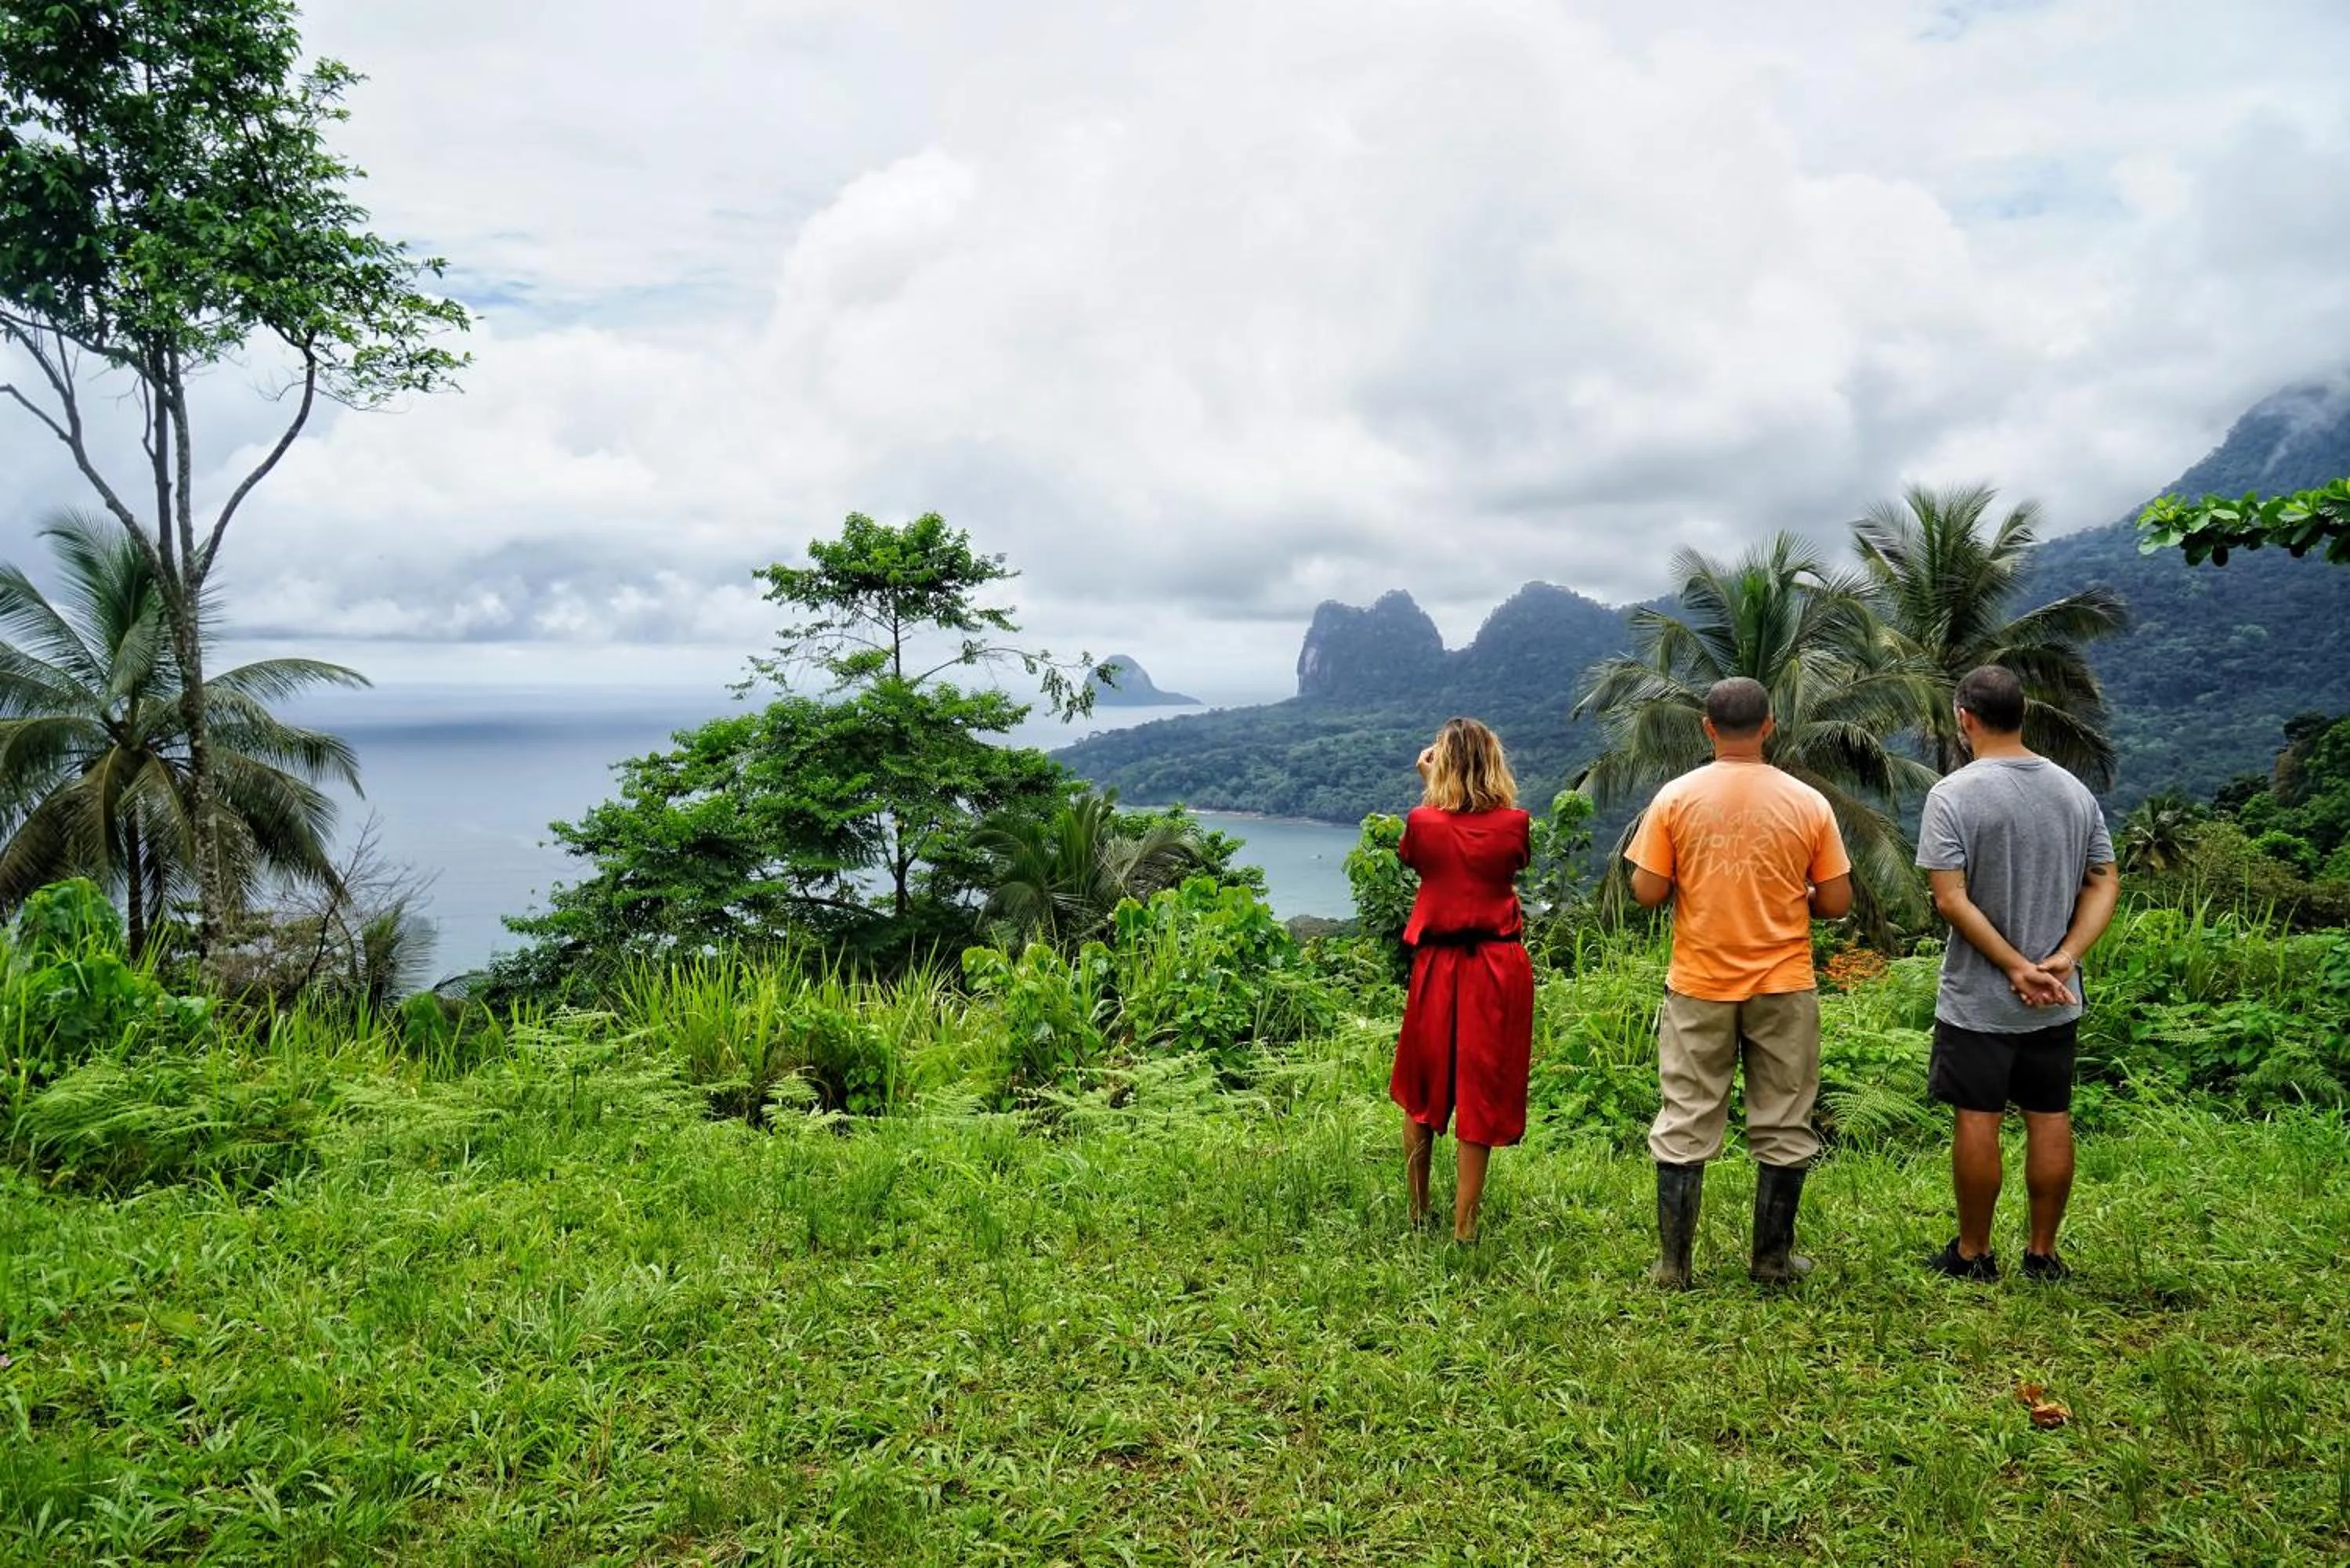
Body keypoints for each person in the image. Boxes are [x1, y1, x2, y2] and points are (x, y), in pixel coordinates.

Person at [1626, 677, 1853, 1287]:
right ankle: (1772, 1261)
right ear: (1769, 726)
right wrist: (1798, 892)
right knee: (1783, 1118)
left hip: (1700, 981)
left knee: (1686, 1116)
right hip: (1783, 983)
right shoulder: (1808, 803)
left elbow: (1646, 891)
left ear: (1707, 727)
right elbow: (1836, 900)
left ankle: (1674, 1265)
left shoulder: (1675, 797)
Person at [1918, 664, 2120, 1283]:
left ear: (1964, 718)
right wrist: (2066, 957)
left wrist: (2013, 967)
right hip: (2056, 996)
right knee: (2049, 1116)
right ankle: (2042, 1253)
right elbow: (2104, 878)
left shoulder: (1952, 795)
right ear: (2024, 715)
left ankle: (1974, 1253)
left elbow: (1951, 899)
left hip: (1981, 997)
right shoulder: (2072, 791)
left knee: (1978, 1118)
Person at [1390, 717, 1535, 1244]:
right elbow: (1511, 863)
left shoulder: (1423, 821)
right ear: (1495, 763)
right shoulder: (1515, 823)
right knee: (1482, 1091)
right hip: (1498, 966)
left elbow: (1416, 856)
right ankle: (1464, 1228)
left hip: (1438, 965)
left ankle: (1417, 1210)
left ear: (1442, 763)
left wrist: (1429, 784)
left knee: (1422, 1088)